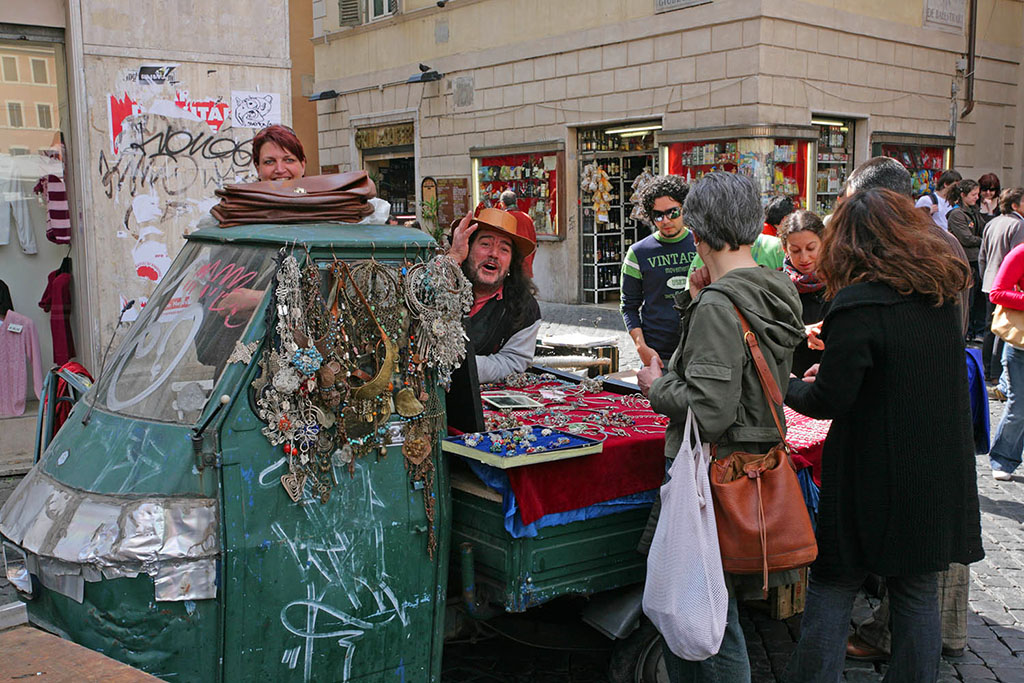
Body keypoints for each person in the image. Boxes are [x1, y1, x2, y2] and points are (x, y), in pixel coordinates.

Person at [784, 188, 983, 682]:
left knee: (833, 587)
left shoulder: (858, 303)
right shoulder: (938, 292)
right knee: (915, 593)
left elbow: (828, 401)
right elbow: (899, 376)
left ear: (846, 244)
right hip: (934, 466)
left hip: (873, 475)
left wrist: (784, 385)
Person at [637, 172, 805, 682]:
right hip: (749, 466)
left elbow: (708, 410)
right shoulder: (775, 286)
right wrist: (696, 299)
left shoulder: (720, 303)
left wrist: (654, 386)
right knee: (718, 610)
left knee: (705, 619)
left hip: (712, 476)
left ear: (699, 231)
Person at [449, 207, 540, 383]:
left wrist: (461, 365)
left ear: (512, 261)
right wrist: (453, 257)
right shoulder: (443, 283)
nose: (493, 254)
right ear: (468, 248)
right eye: (485, 244)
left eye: (504, 249)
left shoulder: (525, 307)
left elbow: (512, 362)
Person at [620, 175, 696, 367]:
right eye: (658, 215)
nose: (665, 220)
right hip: (658, 353)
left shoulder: (702, 245)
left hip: (699, 351)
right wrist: (641, 347)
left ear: (684, 208)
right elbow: (629, 305)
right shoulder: (638, 253)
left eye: (673, 212)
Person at [988, 237, 1024, 482]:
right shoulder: (1020, 253)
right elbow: (997, 293)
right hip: (1020, 346)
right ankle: (1003, 459)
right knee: (1019, 406)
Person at [979, 187, 1024, 382]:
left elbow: (982, 255)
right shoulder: (1018, 225)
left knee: (992, 328)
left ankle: (988, 370)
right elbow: (1018, 258)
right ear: (1015, 205)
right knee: (1006, 329)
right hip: (1009, 287)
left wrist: (985, 278)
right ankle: (999, 375)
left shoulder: (993, 222)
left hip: (990, 281)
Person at [778, 210, 827, 377]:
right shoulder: (776, 287)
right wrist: (801, 332)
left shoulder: (841, 281)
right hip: (791, 383)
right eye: (796, 250)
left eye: (811, 248)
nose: (804, 258)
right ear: (785, 249)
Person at [946, 179, 986, 340]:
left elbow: (984, 229)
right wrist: (982, 240)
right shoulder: (957, 214)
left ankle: (977, 329)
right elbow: (966, 238)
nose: (977, 197)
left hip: (976, 259)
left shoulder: (974, 212)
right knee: (967, 299)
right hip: (965, 260)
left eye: (977, 194)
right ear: (963, 195)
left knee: (978, 298)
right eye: (973, 194)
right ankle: (966, 330)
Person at [499, 190, 537, 278]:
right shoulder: (527, 218)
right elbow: (533, 243)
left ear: (502, 204)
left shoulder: (503, 218)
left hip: (509, 268)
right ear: (516, 202)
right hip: (525, 267)